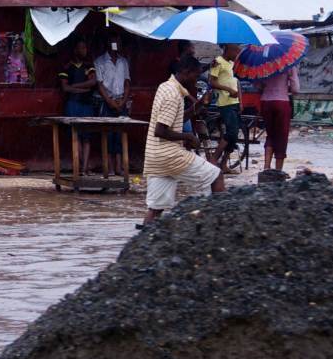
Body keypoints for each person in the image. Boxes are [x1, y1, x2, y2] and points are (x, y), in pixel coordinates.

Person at [143, 56, 224, 227]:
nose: (196, 80)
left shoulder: (165, 87)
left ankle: (142, 243)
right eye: (195, 76)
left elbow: (176, 118)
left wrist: (199, 106)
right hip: (169, 154)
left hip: (154, 157)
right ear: (186, 73)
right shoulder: (173, 95)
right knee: (216, 176)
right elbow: (161, 130)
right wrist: (188, 137)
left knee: (155, 208)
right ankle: (220, 227)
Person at [94, 32, 132, 176]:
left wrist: (122, 101)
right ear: (108, 43)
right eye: (114, 41)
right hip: (107, 102)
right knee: (108, 136)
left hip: (121, 101)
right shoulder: (100, 62)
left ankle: (119, 167)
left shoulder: (123, 62)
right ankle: (109, 168)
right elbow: (100, 85)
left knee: (120, 135)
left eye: (118, 41)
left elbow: (127, 82)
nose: (117, 44)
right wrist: (110, 102)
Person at [58, 39, 97, 176]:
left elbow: (93, 81)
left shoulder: (88, 65)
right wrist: (83, 89)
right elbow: (64, 87)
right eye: (81, 47)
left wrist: (75, 86)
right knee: (76, 137)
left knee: (86, 137)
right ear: (75, 50)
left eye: (85, 48)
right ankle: (81, 167)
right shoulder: (67, 67)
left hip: (86, 105)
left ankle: (84, 168)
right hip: (73, 105)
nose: (83, 50)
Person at [208, 43, 242, 173]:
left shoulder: (232, 64)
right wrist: (228, 90)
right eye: (236, 52)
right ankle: (214, 160)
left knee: (234, 135)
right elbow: (212, 82)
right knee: (231, 133)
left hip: (235, 102)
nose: (237, 55)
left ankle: (223, 165)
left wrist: (240, 101)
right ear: (229, 49)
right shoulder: (218, 62)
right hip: (225, 103)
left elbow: (236, 82)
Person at [259, 66, 300, 172]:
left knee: (270, 134)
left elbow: (258, 85)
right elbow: (296, 89)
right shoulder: (289, 64)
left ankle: (266, 167)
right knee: (281, 137)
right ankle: (278, 171)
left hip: (265, 102)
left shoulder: (264, 64)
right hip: (281, 102)